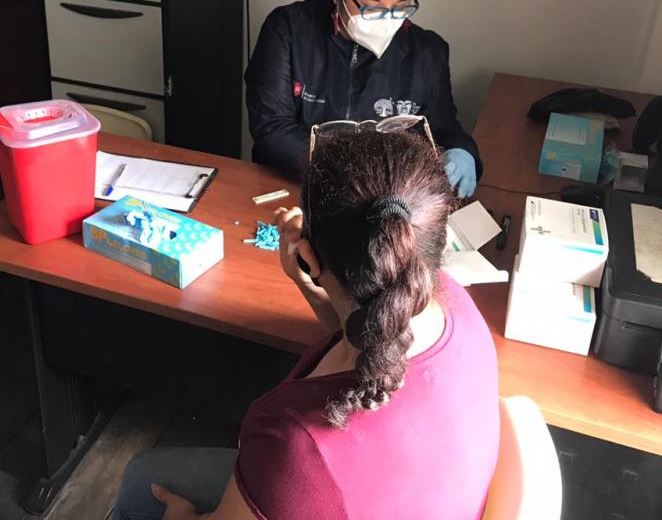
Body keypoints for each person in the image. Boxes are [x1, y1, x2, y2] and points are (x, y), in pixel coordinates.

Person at [111, 127, 500, 520]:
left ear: (311, 257)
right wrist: (307, 281)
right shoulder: (454, 303)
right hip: (415, 495)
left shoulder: (297, 442)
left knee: (142, 480)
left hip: (320, 484)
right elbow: (370, 332)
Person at [245, 0, 481, 198]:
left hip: (384, 203)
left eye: (400, 7)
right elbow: (272, 129)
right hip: (293, 189)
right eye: (371, 6)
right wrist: (351, 174)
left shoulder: (426, 54)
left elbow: (442, 128)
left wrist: (463, 152)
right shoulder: (289, 31)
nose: (387, 20)